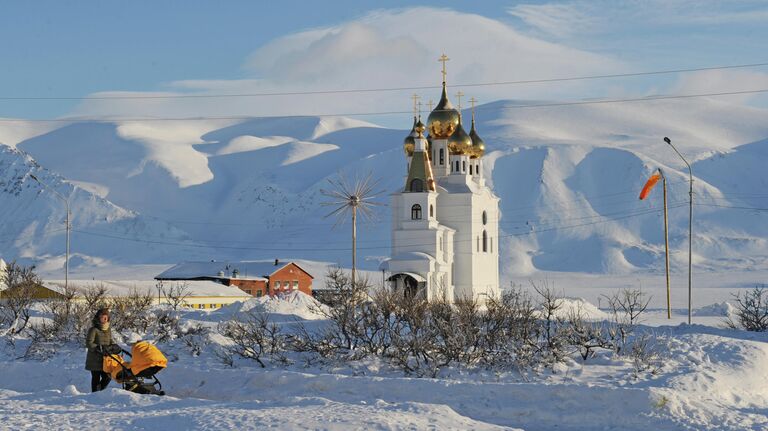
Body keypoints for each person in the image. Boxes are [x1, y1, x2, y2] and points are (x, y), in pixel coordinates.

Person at [85, 308, 114, 392]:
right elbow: (89, 343)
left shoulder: (108, 329)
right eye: (102, 317)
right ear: (98, 318)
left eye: (106, 318)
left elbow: (110, 340)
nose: (104, 319)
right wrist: (98, 347)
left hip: (105, 359)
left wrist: (113, 346)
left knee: (107, 377)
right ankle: (95, 394)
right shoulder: (93, 330)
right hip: (94, 359)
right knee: (96, 378)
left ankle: (99, 393)